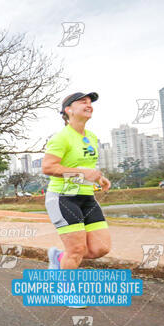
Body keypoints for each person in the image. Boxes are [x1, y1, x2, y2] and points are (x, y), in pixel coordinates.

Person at [42, 92, 112, 307]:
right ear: (68, 110)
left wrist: (99, 177)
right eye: (83, 102)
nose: (88, 105)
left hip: (86, 197)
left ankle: (59, 259)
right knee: (77, 250)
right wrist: (82, 174)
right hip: (63, 198)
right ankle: (65, 292)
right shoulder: (61, 137)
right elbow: (48, 168)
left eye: (90, 102)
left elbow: (85, 168)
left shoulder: (90, 137)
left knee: (101, 249)